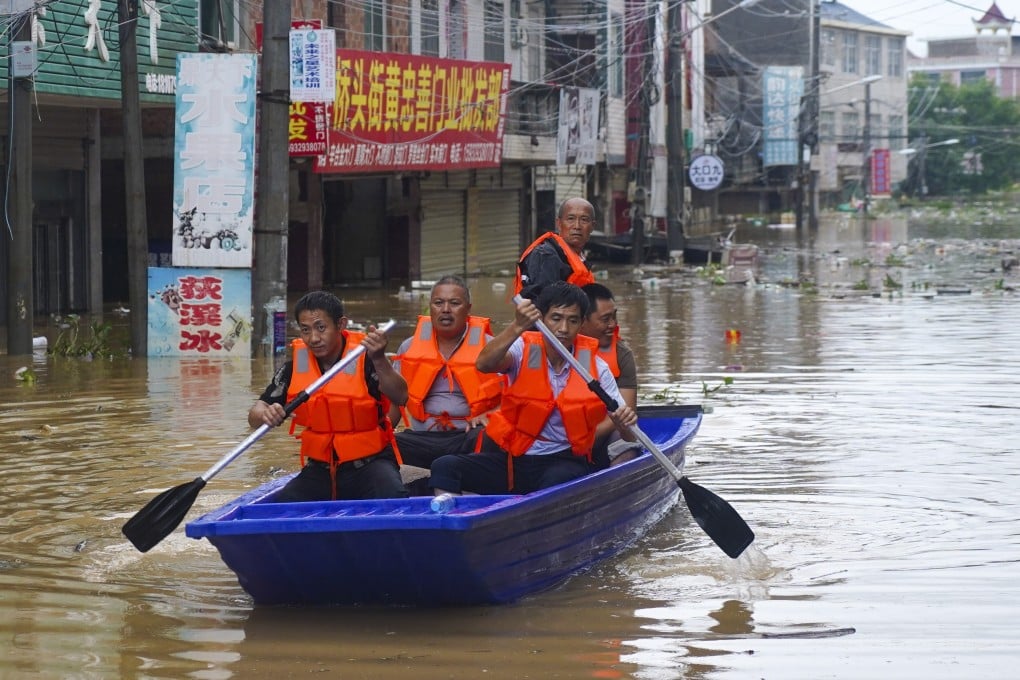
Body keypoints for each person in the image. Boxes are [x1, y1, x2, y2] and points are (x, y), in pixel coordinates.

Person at [429, 282, 638, 496]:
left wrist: (624, 425)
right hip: (515, 461)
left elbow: (629, 435)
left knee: (555, 482)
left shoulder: (597, 369)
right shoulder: (522, 349)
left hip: (563, 460)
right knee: (445, 466)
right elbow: (484, 364)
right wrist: (517, 326)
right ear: (542, 319)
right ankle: (450, 519)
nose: (563, 329)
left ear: (582, 324)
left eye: (572, 320)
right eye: (556, 318)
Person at [248, 290, 409, 502]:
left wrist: (379, 359)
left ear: (341, 325)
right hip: (321, 469)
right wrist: (265, 414)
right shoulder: (294, 368)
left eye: (321, 328)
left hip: (371, 464)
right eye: (305, 330)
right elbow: (254, 415)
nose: (313, 338)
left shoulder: (368, 360)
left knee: (394, 498)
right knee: (280, 508)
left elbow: (402, 396)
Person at [390, 275, 504, 471]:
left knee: (491, 437)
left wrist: (490, 414)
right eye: (438, 303)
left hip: (468, 436)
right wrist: (382, 431)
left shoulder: (490, 348)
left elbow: (515, 398)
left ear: (468, 308)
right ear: (430, 307)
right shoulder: (408, 347)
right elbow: (395, 399)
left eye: (454, 303)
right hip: (423, 438)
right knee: (384, 445)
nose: (445, 310)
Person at [580, 283, 640, 469]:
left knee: (627, 441)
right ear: (582, 321)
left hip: (604, 432)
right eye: (605, 319)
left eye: (614, 316)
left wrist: (583, 439)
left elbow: (625, 414)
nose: (613, 325)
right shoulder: (559, 349)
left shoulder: (621, 354)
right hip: (562, 435)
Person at [514, 197, 597, 300]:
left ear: (592, 226)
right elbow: (542, 307)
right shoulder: (546, 255)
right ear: (559, 223)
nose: (577, 226)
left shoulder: (579, 259)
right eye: (570, 219)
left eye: (584, 220)